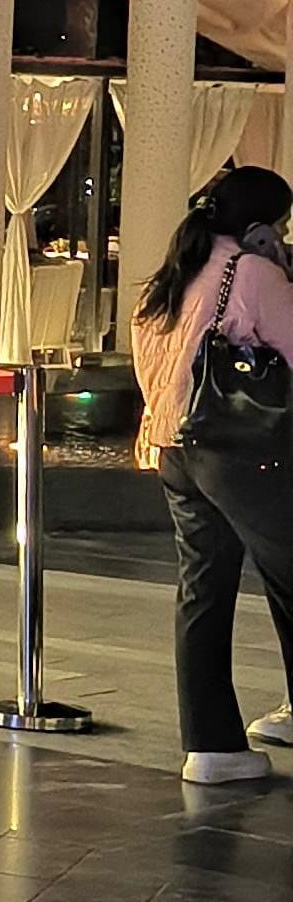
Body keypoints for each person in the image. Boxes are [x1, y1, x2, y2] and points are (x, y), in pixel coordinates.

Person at [133, 166, 293, 785]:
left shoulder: (171, 278)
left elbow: (152, 373)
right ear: (259, 226)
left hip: (176, 450)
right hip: (241, 453)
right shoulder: (252, 274)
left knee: (203, 592)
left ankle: (212, 748)